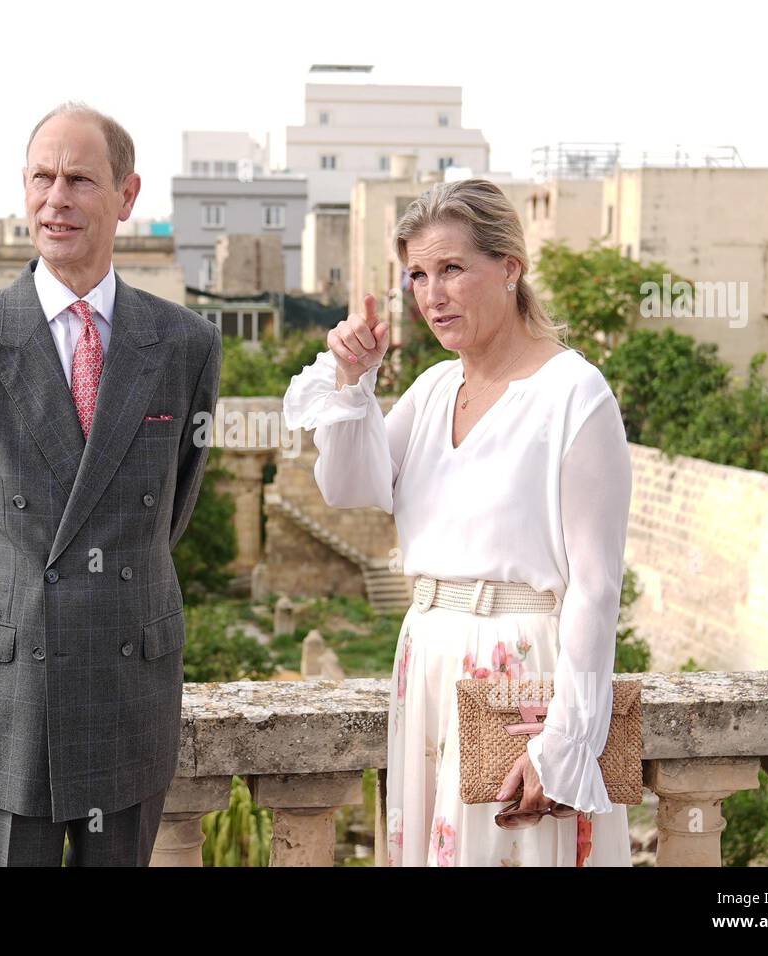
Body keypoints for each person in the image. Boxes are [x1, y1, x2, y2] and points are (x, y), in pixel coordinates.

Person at [0, 102, 222, 866]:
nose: (55, 199)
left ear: (127, 196)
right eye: (42, 177)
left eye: (79, 179)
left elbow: (170, 507)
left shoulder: (187, 344)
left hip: (127, 682)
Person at [282, 178, 632, 867]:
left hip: (523, 672)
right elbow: (349, 486)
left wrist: (563, 742)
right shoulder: (437, 386)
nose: (432, 294)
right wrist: (354, 381)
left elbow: (595, 588)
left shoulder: (574, 394)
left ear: (509, 267)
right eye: (416, 274)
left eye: (451, 269)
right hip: (429, 665)